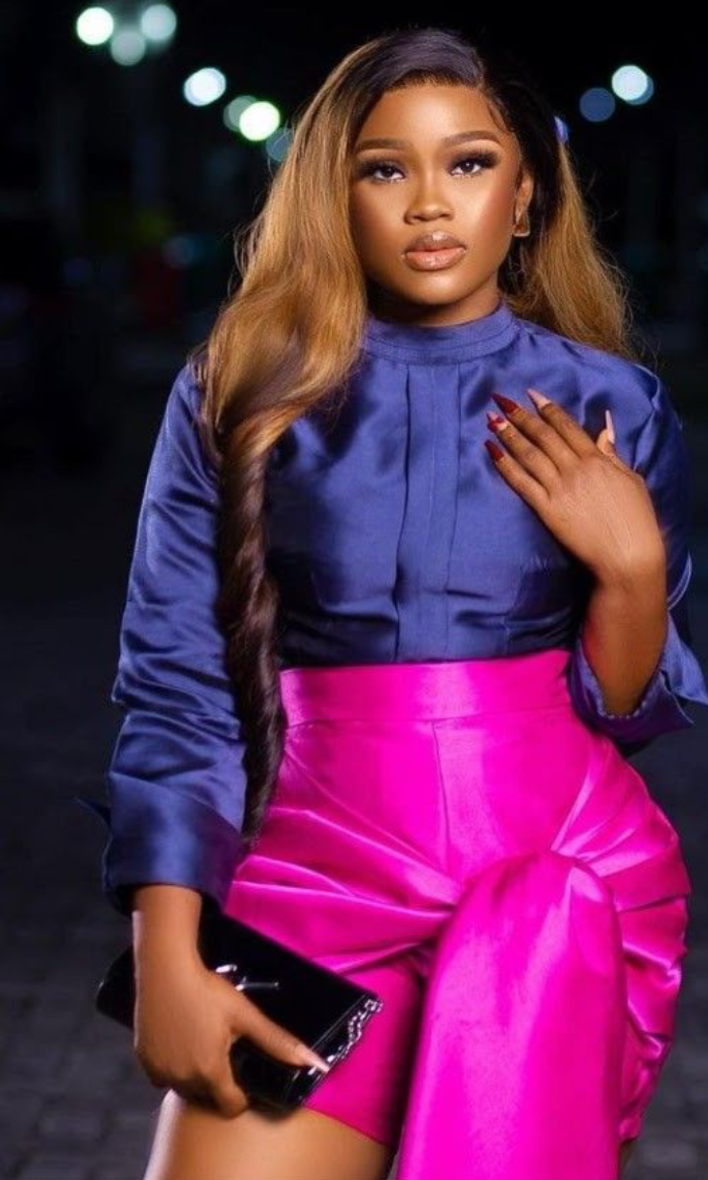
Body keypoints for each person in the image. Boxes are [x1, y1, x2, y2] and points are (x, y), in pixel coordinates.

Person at [76, 26, 708, 1180]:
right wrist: (166, 945)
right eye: (385, 167)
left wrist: (632, 571)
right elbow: (179, 682)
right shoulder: (240, 391)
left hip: (546, 876)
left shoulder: (612, 402)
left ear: (526, 196)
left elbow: (620, 707)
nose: (429, 201)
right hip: (314, 886)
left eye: (469, 162)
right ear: (338, 194)